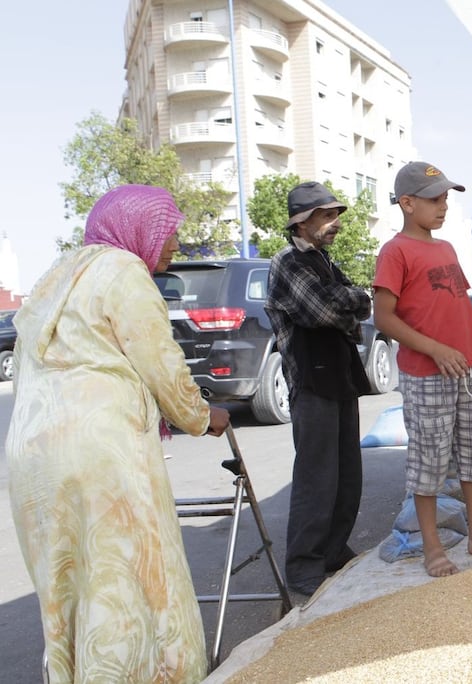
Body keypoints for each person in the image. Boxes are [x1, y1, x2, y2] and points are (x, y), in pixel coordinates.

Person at [7, 185, 231, 682]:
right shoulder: (124, 271)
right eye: (166, 231)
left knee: (70, 587)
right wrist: (200, 416)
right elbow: (160, 361)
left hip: (32, 455)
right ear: (134, 227)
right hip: (100, 452)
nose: (173, 243)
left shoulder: (57, 276)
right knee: (126, 581)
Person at [372, 161, 472, 575]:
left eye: (444, 199)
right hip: (426, 375)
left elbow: (457, 312)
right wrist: (436, 350)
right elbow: (384, 317)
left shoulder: (445, 249)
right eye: (434, 199)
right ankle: (432, 547)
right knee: (430, 462)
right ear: (407, 203)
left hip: (465, 372)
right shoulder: (395, 251)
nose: (443, 207)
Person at [266, 181, 373, 596]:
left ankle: (332, 551)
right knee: (316, 476)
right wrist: (348, 302)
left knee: (348, 474)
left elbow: (362, 304)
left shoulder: (324, 261)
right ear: (301, 222)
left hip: (340, 376)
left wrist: (348, 301)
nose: (334, 224)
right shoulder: (288, 263)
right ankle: (304, 565)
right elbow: (323, 311)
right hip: (311, 382)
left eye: (334, 216)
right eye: (325, 217)